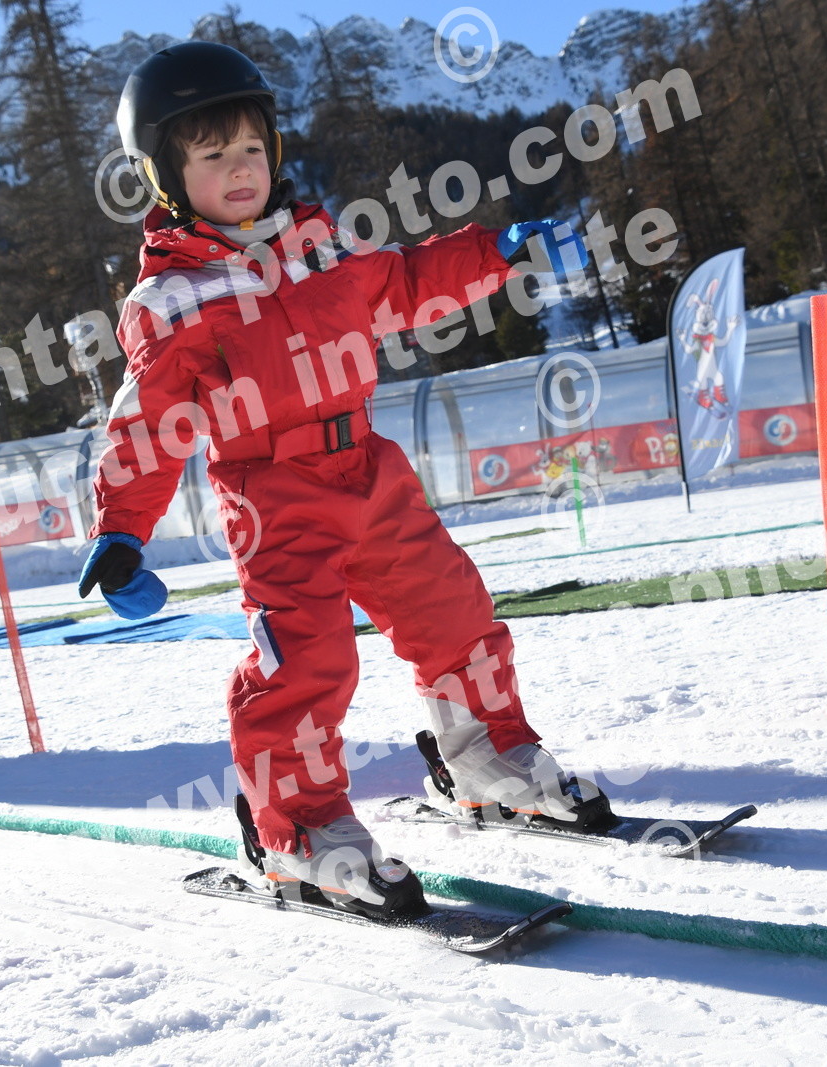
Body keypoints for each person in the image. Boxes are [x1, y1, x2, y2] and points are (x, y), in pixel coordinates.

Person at [78, 42, 600, 919]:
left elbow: (404, 284)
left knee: (454, 611)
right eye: (213, 155)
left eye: (252, 148)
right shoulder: (170, 300)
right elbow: (148, 422)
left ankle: (486, 755)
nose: (240, 169)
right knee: (306, 662)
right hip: (273, 494)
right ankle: (298, 827)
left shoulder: (318, 246)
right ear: (164, 176)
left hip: (367, 465)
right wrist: (122, 528)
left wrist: (493, 252)